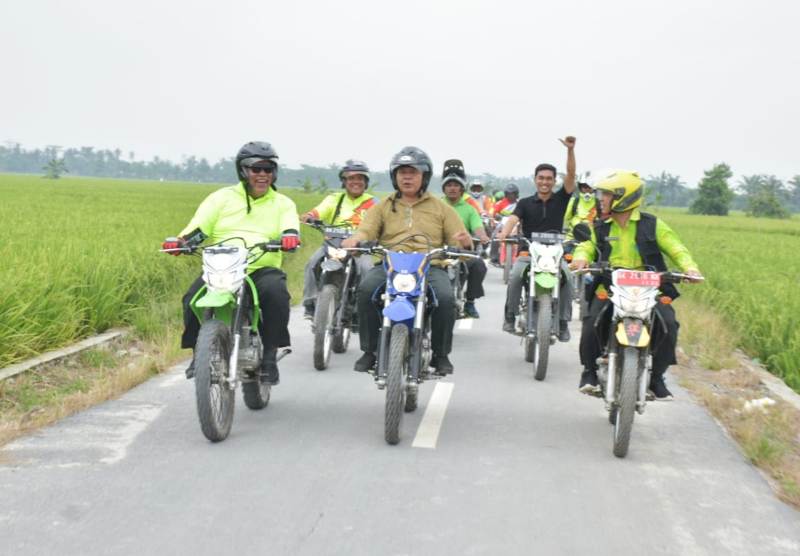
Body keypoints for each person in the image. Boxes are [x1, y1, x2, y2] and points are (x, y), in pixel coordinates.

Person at [162, 141, 300, 386]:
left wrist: (289, 236)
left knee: (277, 293)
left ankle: (269, 357)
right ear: (243, 171)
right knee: (192, 298)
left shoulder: (283, 203)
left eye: (268, 169)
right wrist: (181, 242)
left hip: (260, 267)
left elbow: (290, 225)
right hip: (223, 266)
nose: (262, 175)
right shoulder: (221, 198)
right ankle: (199, 354)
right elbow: (199, 228)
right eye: (256, 169)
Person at [569, 170, 702, 400]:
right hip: (610, 285)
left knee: (668, 324)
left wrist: (689, 268)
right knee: (591, 322)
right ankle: (589, 372)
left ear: (624, 198)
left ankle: (656, 377)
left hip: (651, 287)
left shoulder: (653, 225)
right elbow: (587, 246)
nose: (601, 199)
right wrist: (581, 257)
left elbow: (676, 248)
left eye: (607, 195)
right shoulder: (600, 226)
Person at [341, 146, 472, 375]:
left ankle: (441, 355)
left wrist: (464, 243)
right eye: (402, 172)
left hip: (429, 266)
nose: (407, 177)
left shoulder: (442, 208)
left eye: (413, 172)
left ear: (425, 176)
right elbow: (366, 230)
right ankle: (370, 350)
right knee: (365, 290)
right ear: (394, 176)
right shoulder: (382, 206)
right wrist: (355, 240)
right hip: (389, 264)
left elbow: (459, 239)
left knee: (446, 298)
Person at [497, 136, 578, 340]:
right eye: (541, 178)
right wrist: (504, 234)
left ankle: (562, 321)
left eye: (549, 178)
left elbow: (571, 174)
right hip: (528, 252)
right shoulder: (524, 203)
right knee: (515, 276)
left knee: (568, 278)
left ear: (554, 181)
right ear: (535, 180)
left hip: (555, 252)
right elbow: (513, 219)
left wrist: (570, 150)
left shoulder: (561, 198)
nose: (545, 182)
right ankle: (510, 316)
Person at [299, 159, 377, 319]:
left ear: (366, 182)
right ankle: (310, 302)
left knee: (367, 270)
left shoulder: (373, 203)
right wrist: (310, 216)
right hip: (334, 243)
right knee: (312, 263)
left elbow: (381, 221)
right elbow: (319, 211)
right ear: (344, 181)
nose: (356, 182)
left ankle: (359, 308)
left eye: (360, 178)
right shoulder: (335, 199)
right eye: (351, 178)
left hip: (359, 248)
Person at [441, 171, 490, 318]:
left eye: (456, 185)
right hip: (440, 250)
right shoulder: (437, 205)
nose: (452, 188)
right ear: (444, 189)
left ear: (462, 189)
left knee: (478, 265)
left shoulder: (469, 209)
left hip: (462, 250)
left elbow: (477, 226)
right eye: (449, 185)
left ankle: (470, 302)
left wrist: (483, 236)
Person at [489, 183, 520, 265]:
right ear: (506, 194)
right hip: (502, 223)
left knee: (523, 238)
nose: (511, 196)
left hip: (516, 224)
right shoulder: (500, 203)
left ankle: (521, 258)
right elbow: (492, 213)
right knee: (494, 236)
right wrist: (494, 219)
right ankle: (494, 258)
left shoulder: (519, 204)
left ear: (516, 194)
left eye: (513, 194)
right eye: (509, 194)